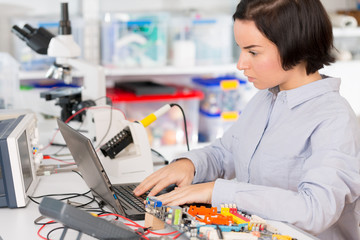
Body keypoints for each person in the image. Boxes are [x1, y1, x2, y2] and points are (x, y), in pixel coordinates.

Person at [134, 0, 360, 239]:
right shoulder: (266, 98)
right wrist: (189, 165)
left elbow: (315, 210)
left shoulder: (334, 119)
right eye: (241, 50)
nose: (241, 64)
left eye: (253, 52)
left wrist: (216, 192)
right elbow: (227, 152)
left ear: (295, 46)